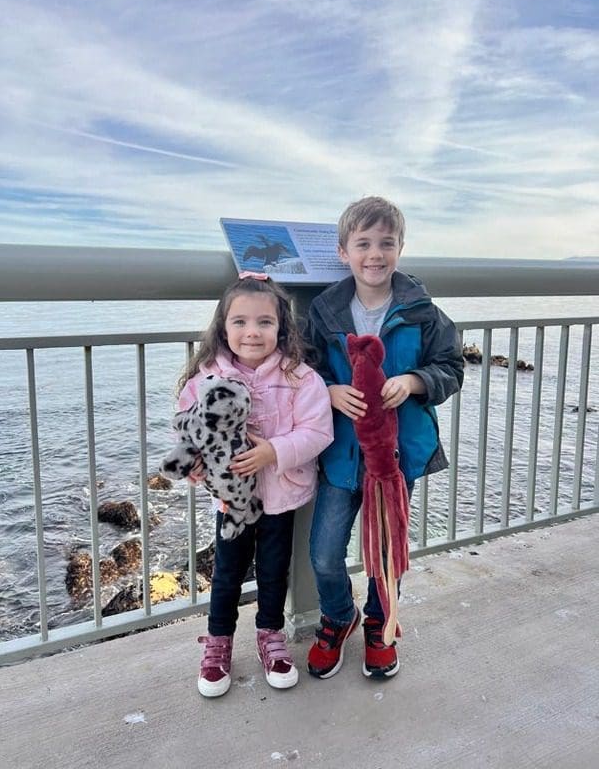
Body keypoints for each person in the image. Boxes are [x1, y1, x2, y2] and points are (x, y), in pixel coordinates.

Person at [307, 196, 464, 680]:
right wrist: (329, 391)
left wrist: (415, 382)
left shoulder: (422, 310)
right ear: (343, 252)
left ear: (400, 249)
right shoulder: (324, 309)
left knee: (385, 550)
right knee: (325, 552)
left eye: (386, 244)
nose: (375, 254)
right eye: (363, 244)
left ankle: (380, 624)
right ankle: (339, 616)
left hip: (394, 457)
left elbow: (451, 367)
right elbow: (303, 368)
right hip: (340, 454)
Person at [176, 271, 333, 698]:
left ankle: (270, 636)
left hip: (281, 499)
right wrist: (195, 466)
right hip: (231, 503)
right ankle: (218, 643)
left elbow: (318, 431)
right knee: (226, 574)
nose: (252, 332)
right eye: (240, 322)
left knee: (272, 572)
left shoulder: (301, 377)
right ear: (223, 328)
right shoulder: (205, 377)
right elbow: (191, 432)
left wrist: (274, 452)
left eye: (264, 322)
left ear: (281, 327)